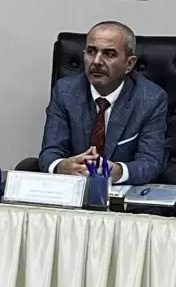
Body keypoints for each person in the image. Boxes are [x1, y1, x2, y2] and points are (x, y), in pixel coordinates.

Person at [37, 21, 168, 186]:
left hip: (121, 196)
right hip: (73, 190)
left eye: (109, 54)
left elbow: (150, 163)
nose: (97, 61)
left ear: (129, 64)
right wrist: (61, 166)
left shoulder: (151, 99)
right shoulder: (65, 92)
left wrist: (118, 171)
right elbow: (50, 152)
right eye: (91, 52)